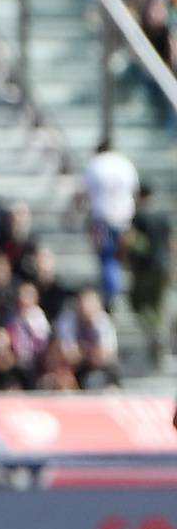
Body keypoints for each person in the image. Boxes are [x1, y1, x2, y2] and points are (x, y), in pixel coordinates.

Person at [82, 141, 139, 306]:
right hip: (125, 219)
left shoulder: (95, 164)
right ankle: (113, 289)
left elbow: (84, 192)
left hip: (102, 218)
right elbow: (134, 190)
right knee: (117, 257)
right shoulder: (125, 163)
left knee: (107, 257)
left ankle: (112, 293)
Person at [124, 186, 171, 366]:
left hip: (144, 268)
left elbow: (132, 240)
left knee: (137, 302)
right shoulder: (163, 216)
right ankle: (158, 332)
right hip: (163, 267)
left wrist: (126, 258)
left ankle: (155, 330)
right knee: (157, 305)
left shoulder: (140, 216)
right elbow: (171, 242)